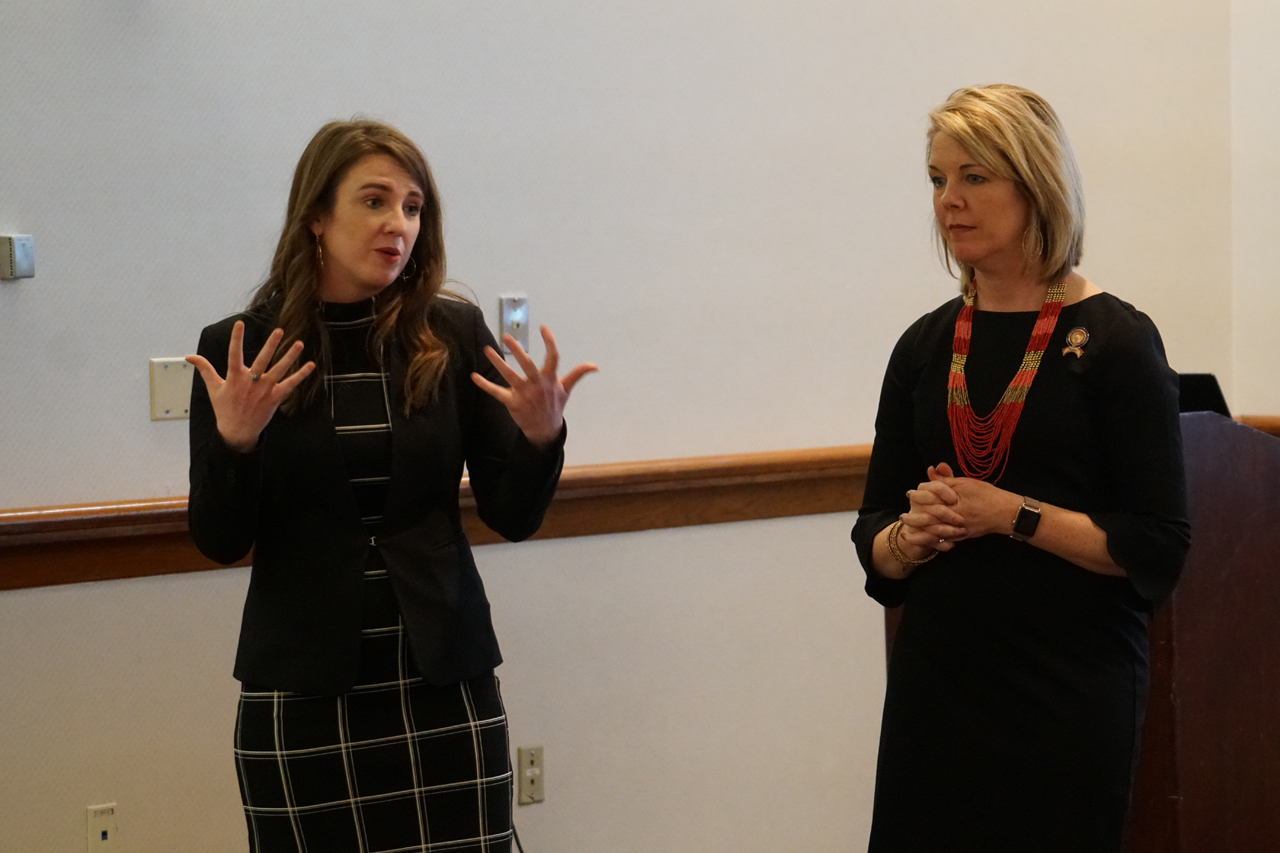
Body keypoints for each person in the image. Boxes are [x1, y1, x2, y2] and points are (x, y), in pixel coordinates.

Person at [186, 119, 595, 853]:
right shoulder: (243, 347)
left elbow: (512, 514)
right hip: (306, 688)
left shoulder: (454, 332)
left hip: (442, 682)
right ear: (317, 215)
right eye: (374, 201)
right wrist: (235, 443)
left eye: (412, 207)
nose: (397, 225)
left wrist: (539, 438)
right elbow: (220, 539)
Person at [851, 85, 1190, 852]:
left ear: (1035, 183)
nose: (949, 201)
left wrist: (1010, 514)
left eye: (974, 177)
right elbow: (871, 534)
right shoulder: (924, 345)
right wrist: (910, 536)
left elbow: (1157, 542)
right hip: (937, 687)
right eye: (937, 179)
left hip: (1067, 693)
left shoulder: (1117, 342)